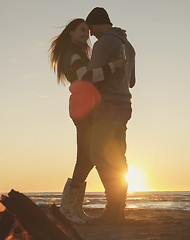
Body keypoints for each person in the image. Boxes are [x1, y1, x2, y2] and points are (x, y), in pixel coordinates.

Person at [49, 18, 126, 223]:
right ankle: (68, 209)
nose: (86, 33)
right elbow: (85, 77)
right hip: (83, 108)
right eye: (82, 30)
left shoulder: (77, 53)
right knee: (86, 156)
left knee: (88, 156)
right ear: (71, 33)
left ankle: (71, 208)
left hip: (83, 107)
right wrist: (113, 66)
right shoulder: (72, 54)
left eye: (87, 30)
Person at [85, 7, 136, 223]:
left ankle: (113, 205)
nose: (91, 34)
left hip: (107, 106)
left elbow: (90, 76)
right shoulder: (128, 45)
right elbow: (132, 81)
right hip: (125, 105)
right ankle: (119, 210)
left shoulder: (103, 43)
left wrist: (107, 69)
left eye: (91, 29)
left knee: (98, 154)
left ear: (96, 24)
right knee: (117, 157)